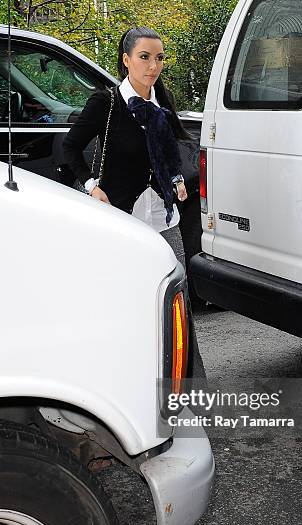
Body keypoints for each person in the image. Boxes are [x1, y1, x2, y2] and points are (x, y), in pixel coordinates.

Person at [63, 26, 205, 380]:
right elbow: (69, 148)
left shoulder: (161, 105)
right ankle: (123, 380)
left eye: (158, 58)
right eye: (144, 57)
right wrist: (92, 185)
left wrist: (175, 182)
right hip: (121, 219)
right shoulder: (106, 103)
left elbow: (167, 154)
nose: (152, 66)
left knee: (175, 303)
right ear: (126, 60)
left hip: (164, 218)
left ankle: (186, 386)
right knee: (125, 303)